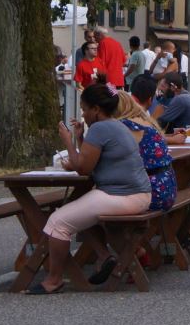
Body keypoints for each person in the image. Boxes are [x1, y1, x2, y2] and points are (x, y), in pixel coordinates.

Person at [27, 83, 152, 293]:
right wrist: (79, 139)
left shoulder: (100, 128)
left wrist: (67, 141)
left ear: (96, 109)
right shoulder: (117, 125)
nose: (83, 114)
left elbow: (83, 168)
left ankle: (54, 279)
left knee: (58, 222)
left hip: (122, 195)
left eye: (84, 109)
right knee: (81, 215)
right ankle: (106, 258)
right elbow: (91, 160)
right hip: (137, 193)